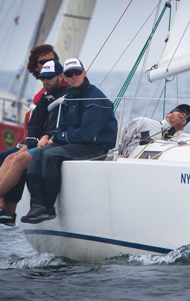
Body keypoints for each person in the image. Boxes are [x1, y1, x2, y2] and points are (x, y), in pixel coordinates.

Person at [0, 60, 68, 226]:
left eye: (50, 78)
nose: (46, 82)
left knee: (16, 160)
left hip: (55, 143)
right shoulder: (46, 95)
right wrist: (31, 141)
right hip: (42, 142)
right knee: (5, 157)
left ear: (60, 76)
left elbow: (63, 125)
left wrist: (48, 137)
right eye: (43, 79)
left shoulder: (68, 96)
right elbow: (35, 123)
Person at [21, 58, 118, 224]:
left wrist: (57, 137)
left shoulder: (96, 99)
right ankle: (37, 205)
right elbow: (63, 126)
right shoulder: (70, 97)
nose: (74, 76)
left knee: (51, 156)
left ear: (84, 73)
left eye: (77, 72)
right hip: (77, 143)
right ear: (64, 77)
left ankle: (49, 208)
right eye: (69, 74)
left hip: (95, 147)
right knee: (38, 153)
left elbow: (85, 136)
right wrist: (50, 135)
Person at [119, 104, 190, 156]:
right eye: (181, 111)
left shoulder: (179, 144)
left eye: (187, 117)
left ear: (182, 128)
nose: (184, 115)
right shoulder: (144, 123)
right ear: (168, 114)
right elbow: (118, 141)